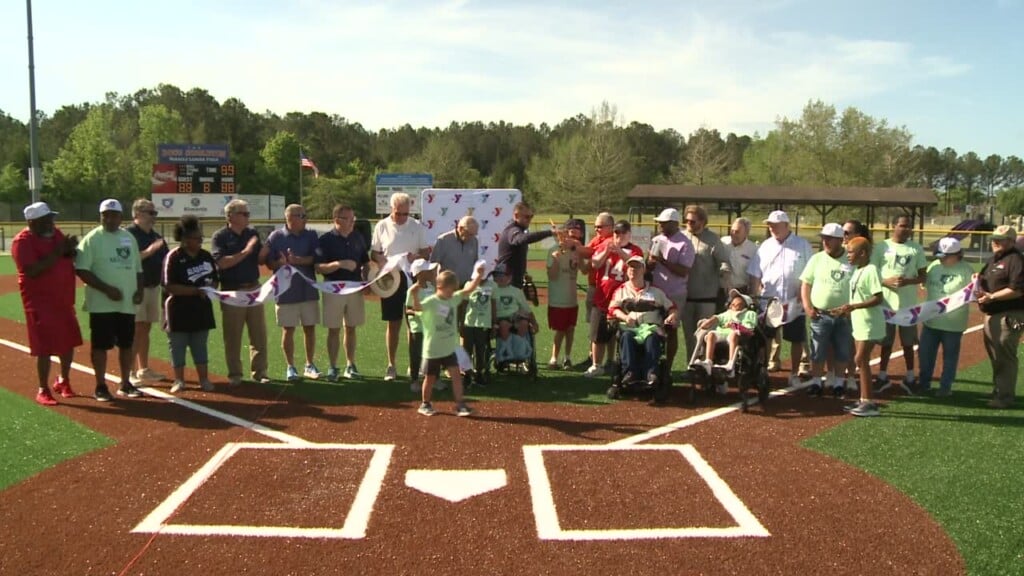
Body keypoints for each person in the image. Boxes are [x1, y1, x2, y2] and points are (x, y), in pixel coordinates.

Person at [11, 202, 83, 406]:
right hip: (39, 303)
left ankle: (64, 380)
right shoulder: (22, 241)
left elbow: (66, 255)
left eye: (51, 218)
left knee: (68, 342)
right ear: (33, 222)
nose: (52, 222)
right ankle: (43, 388)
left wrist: (70, 250)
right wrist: (59, 251)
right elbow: (32, 271)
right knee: (44, 347)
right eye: (47, 219)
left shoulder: (55, 234)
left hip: (63, 300)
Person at [74, 199, 144, 401]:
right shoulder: (92, 239)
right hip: (102, 304)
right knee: (100, 346)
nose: (110, 219)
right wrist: (106, 289)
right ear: (101, 216)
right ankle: (101, 385)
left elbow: (138, 269)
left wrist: (139, 290)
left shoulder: (128, 237)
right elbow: (82, 270)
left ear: (121, 217)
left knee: (126, 345)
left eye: (114, 215)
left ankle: (125, 383)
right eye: (106, 215)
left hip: (126, 304)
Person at [409, 266, 486, 417]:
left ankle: (460, 404)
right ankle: (425, 403)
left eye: (453, 290)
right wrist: (415, 295)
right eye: (449, 290)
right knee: (430, 378)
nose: (452, 293)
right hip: (433, 349)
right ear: (440, 287)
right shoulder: (432, 301)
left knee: (456, 375)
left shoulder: (453, 298)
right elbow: (417, 308)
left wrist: (478, 276)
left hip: (449, 348)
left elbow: (468, 290)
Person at [371, 192, 431, 381]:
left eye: (405, 213)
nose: (402, 217)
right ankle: (391, 364)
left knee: (413, 323)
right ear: (391, 209)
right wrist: (382, 260)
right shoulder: (381, 226)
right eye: (398, 213)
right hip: (390, 280)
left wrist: (416, 257)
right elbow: (374, 253)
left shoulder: (417, 226)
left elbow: (425, 252)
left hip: (411, 280)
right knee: (393, 323)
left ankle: (414, 364)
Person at [748, 210, 812, 388]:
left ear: (786, 225)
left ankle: (794, 373)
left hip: (794, 301)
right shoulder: (765, 246)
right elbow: (755, 274)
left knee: (796, 338)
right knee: (766, 338)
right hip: (771, 301)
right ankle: (765, 372)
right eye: (769, 225)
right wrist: (755, 297)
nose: (772, 228)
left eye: (775, 225)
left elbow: (810, 272)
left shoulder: (802, 244)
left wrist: (803, 290)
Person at [211, 199, 269, 387]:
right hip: (232, 291)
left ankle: (260, 372)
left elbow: (260, 259)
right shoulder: (220, 237)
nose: (247, 217)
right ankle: (235, 373)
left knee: (258, 334)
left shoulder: (251, 234)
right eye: (244, 214)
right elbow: (222, 263)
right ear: (231, 216)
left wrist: (267, 250)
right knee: (233, 336)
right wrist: (246, 251)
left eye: (248, 213)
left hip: (253, 288)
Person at [262, 204, 321, 381]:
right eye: (303, 215)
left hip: (308, 290)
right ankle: (291, 367)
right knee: (288, 330)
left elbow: (317, 258)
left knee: (309, 329)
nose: (306, 219)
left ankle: (309, 364)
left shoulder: (311, 235)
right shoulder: (276, 237)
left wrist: (298, 260)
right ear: (291, 218)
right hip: (286, 292)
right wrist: (279, 263)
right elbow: (269, 263)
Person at [162, 216, 219, 393]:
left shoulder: (206, 256)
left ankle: (204, 379)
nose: (201, 240)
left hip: (201, 309)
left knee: (200, 346)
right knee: (178, 346)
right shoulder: (174, 257)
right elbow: (169, 286)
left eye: (201, 237)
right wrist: (195, 291)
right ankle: (179, 380)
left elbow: (215, 281)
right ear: (185, 240)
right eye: (197, 237)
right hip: (177, 310)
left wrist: (209, 289)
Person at [871, 214, 927, 393]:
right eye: (902, 225)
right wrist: (885, 282)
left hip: (907, 305)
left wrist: (908, 282)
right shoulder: (882, 247)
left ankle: (910, 376)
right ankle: (882, 376)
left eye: (908, 226)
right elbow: (871, 273)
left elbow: (923, 275)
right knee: (886, 343)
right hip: (886, 305)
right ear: (893, 226)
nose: (906, 229)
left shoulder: (916, 248)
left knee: (908, 343)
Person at [315, 204, 370, 381]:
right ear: (337, 220)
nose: (353, 222)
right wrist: (338, 264)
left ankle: (350, 364)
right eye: (349, 218)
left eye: (353, 218)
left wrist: (367, 279)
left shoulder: (357, 237)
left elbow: (365, 262)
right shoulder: (325, 240)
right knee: (334, 329)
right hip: (333, 289)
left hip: (354, 287)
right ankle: (332, 366)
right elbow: (319, 268)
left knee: (351, 327)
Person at [830, 236, 884, 417]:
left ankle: (869, 402)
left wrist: (854, 307)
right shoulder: (858, 270)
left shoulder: (871, 270)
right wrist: (846, 309)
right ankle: (863, 399)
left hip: (870, 323)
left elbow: (878, 298)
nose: (848, 255)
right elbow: (858, 297)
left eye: (851, 252)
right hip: (860, 322)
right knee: (861, 360)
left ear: (862, 253)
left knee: (861, 360)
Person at [799, 223, 853, 397]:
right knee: (817, 351)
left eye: (829, 239)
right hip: (820, 313)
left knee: (842, 350)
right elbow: (806, 283)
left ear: (840, 240)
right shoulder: (817, 258)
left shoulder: (851, 260)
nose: (825, 242)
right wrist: (807, 306)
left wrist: (853, 307)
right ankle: (816, 383)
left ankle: (838, 383)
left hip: (844, 315)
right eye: (823, 238)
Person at [585, 220, 644, 377]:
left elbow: (636, 266)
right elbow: (595, 264)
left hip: (623, 299)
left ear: (629, 234)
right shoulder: (606, 245)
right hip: (602, 296)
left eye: (623, 232)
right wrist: (607, 251)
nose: (620, 236)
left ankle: (616, 362)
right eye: (617, 232)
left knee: (620, 334)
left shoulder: (635, 250)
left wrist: (619, 251)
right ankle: (596, 365)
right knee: (598, 333)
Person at [609, 256, 678, 386]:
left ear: (643, 270)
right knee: (627, 337)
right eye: (630, 267)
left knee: (652, 338)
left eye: (636, 267)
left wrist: (671, 316)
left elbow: (672, 308)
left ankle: (651, 373)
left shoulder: (656, 292)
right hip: (630, 327)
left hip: (650, 328)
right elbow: (612, 309)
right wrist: (625, 317)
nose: (632, 270)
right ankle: (630, 373)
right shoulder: (621, 291)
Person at [975, 225, 1024, 409]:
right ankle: (999, 390)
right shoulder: (994, 260)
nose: (995, 242)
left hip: (1009, 314)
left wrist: (992, 297)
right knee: (996, 356)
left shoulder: (1016, 260)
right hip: (992, 313)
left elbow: (1017, 290)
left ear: (1011, 242)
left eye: (1000, 239)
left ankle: (1005, 396)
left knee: (1005, 356)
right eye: (994, 238)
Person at [918, 238, 973, 396]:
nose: (940, 259)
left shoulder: (966, 270)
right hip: (931, 321)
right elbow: (924, 284)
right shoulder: (934, 266)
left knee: (950, 357)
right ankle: (924, 384)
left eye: (945, 256)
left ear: (957, 255)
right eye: (939, 255)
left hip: (953, 325)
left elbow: (973, 294)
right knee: (925, 354)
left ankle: (945, 387)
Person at [680, 205, 731, 374]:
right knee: (689, 336)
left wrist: (724, 271)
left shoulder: (712, 239)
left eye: (692, 221)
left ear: (702, 221)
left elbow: (723, 261)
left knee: (706, 335)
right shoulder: (682, 237)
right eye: (686, 220)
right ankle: (691, 365)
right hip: (686, 297)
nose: (689, 223)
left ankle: (707, 366)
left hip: (706, 297)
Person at [126, 198, 169, 384]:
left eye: (154, 213)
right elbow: (129, 260)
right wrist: (151, 250)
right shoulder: (127, 235)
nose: (153, 217)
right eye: (150, 213)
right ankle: (128, 372)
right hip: (136, 289)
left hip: (153, 287)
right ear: (137, 214)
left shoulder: (155, 236)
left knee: (145, 328)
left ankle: (143, 369)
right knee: (136, 329)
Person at [648, 208, 694, 368]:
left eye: (664, 223)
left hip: (675, 293)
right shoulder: (656, 240)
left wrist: (662, 261)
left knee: (671, 329)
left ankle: (668, 365)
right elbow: (649, 266)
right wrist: (650, 264)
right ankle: (651, 362)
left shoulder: (685, 243)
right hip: (655, 291)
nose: (660, 225)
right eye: (659, 222)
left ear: (674, 224)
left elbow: (683, 271)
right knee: (651, 326)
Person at [693, 289, 758, 376]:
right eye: (732, 302)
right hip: (722, 334)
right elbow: (717, 317)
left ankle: (731, 364)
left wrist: (734, 326)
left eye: (737, 302)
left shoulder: (749, 314)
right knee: (711, 334)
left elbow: (749, 329)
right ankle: (708, 361)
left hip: (740, 336)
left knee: (733, 334)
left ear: (745, 305)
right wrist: (710, 321)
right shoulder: (727, 313)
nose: (733, 303)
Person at [546, 218, 583, 369]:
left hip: (572, 299)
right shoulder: (553, 250)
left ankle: (567, 357)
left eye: (575, 234)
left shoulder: (576, 250)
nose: (572, 237)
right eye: (569, 233)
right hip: (558, 299)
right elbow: (552, 276)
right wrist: (556, 259)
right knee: (560, 330)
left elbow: (584, 270)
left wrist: (579, 258)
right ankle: (554, 358)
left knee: (570, 329)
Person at [496, 201, 555, 288]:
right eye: (527, 217)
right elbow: (522, 239)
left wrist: (524, 273)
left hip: (512, 278)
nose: (530, 219)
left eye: (531, 216)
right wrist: (549, 232)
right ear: (516, 216)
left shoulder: (518, 230)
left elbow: (516, 255)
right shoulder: (513, 230)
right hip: (507, 280)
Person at [405, 258, 438, 392]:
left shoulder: (432, 288)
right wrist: (419, 313)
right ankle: (414, 380)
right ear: (420, 273)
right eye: (428, 270)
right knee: (416, 354)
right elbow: (407, 310)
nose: (432, 272)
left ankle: (433, 379)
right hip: (418, 328)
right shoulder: (412, 290)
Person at [492, 262, 539, 353]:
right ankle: (506, 350)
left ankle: (518, 348)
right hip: (499, 318)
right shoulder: (493, 291)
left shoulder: (516, 291)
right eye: (497, 275)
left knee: (524, 323)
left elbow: (526, 309)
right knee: (504, 325)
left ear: (510, 277)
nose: (499, 278)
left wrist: (534, 322)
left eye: (502, 275)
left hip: (515, 317)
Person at [579, 212, 615, 326]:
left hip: (606, 288)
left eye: (599, 226)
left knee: (609, 323)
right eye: (595, 226)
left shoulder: (611, 240)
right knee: (593, 324)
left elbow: (591, 252)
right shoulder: (597, 238)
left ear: (610, 227)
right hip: (593, 285)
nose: (596, 229)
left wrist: (574, 246)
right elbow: (586, 254)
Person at [463, 265, 497, 387]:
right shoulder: (469, 284)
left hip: (483, 323)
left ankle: (479, 373)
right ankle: (467, 374)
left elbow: (493, 305)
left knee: (481, 350)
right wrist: (461, 322)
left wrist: (494, 323)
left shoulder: (492, 286)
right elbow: (464, 304)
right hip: (469, 322)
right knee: (467, 349)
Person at [431, 215, 479, 286]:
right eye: (469, 234)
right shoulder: (443, 240)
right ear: (461, 229)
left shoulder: (474, 241)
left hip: (466, 287)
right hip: (447, 287)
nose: (471, 237)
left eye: (474, 235)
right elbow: (433, 265)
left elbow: (475, 262)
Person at [722, 217, 757, 296]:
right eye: (732, 231)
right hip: (721, 290)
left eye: (737, 232)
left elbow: (755, 274)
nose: (733, 234)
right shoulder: (723, 243)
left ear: (746, 233)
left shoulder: (753, 250)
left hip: (742, 292)